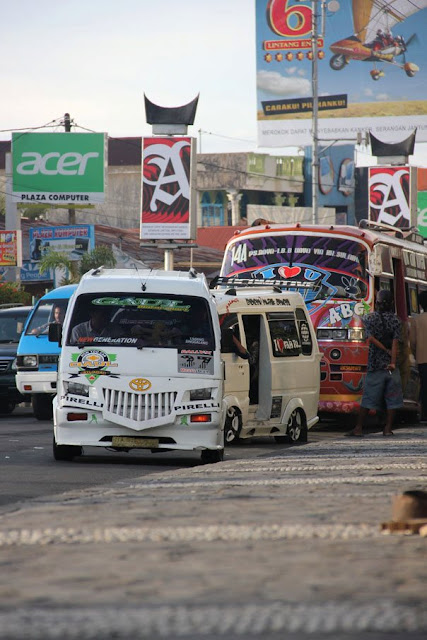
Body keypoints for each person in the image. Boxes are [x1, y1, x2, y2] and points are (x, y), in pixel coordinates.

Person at [346, 289, 403, 437]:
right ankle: (388, 428)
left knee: (369, 398)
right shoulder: (396, 321)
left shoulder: (369, 318)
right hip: (391, 367)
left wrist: (384, 349)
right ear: (391, 303)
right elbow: (395, 343)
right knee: (392, 398)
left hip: (375, 365)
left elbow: (370, 338)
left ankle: (358, 428)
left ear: (377, 303)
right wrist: (393, 361)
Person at [409, 290, 427, 423]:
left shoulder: (416, 320)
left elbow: (413, 342)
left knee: (424, 386)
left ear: (420, 304)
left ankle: (424, 414)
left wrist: (416, 354)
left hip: (422, 359)